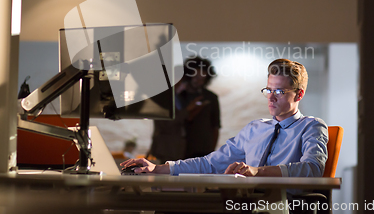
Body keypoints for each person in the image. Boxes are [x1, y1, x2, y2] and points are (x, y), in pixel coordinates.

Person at [122, 58, 328, 178]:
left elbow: (313, 168)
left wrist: (257, 171)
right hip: (247, 203)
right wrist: (158, 168)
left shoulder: (311, 126)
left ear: (299, 94)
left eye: (280, 92)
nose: (271, 98)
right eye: (268, 90)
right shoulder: (254, 128)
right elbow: (212, 163)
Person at [149, 57, 221, 162]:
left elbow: (215, 126)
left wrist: (212, 151)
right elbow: (166, 123)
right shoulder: (178, 95)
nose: (198, 81)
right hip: (178, 150)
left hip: (202, 149)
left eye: (202, 78)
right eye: (196, 77)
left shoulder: (210, 97)